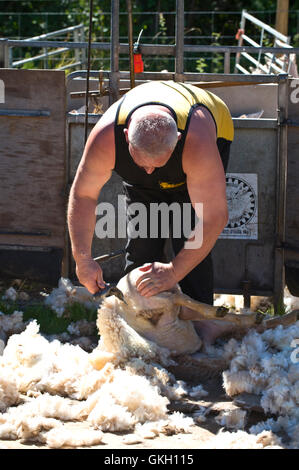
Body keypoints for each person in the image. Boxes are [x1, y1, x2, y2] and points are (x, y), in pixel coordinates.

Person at [67, 80, 234, 306]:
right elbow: (83, 195)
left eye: (157, 165)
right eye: (142, 163)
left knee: (188, 236)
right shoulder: (106, 137)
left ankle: (200, 320)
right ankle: (139, 318)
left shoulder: (198, 142)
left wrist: (174, 272)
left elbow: (214, 217)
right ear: (126, 136)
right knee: (142, 248)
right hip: (150, 164)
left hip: (202, 137)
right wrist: (83, 260)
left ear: (178, 139)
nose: (149, 171)